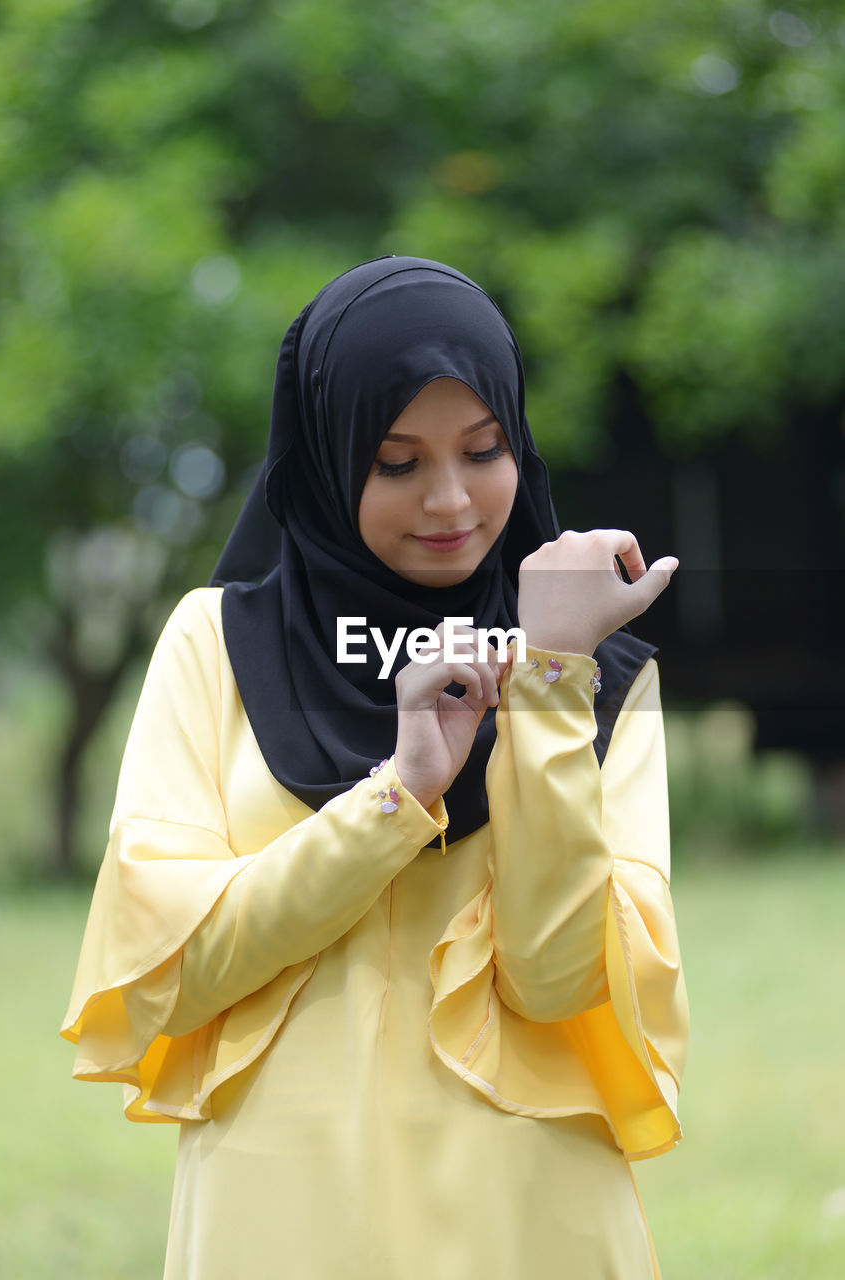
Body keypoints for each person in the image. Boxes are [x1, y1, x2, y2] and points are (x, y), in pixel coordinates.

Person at [62, 256, 689, 1279]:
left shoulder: (599, 676)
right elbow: (172, 970)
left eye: (482, 450)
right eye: (393, 462)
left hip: (527, 1216)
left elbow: (554, 972)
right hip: (281, 1219)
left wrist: (547, 677)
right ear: (322, 455)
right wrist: (396, 793)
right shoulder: (219, 645)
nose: (448, 500)